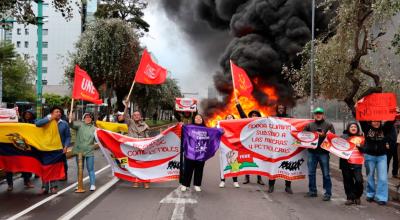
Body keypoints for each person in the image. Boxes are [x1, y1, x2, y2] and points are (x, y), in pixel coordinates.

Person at [35, 106, 71, 194]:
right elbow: (38, 124)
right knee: (45, 168)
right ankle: (44, 187)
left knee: (55, 168)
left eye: (60, 112)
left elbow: (68, 136)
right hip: (46, 148)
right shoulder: (46, 120)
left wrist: (66, 146)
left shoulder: (64, 124)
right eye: (56, 112)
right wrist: (50, 118)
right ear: (52, 113)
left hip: (58, 150)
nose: (59, 113)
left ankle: (54, 187)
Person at [304, 107, 335, 201]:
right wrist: (311, 135)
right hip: (311, 152)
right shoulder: (309, 125)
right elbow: (303, 135)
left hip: (323, 153)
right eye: (316, 113)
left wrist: (324, 135)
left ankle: (328, 193)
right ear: (314, 115)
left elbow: (333, 137)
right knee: (311, 173)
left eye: (320, 113)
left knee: (326, 174)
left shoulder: (329, 125)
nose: (318, 115)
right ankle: (312, 191)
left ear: (323, 115)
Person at [360, 120, 394, 205]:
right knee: (370, 176)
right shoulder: (367, 128)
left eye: (378, 121)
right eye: (374, 121)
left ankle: (381, 197)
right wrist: (355, 108)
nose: (376, 123)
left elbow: (390, 121)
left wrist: (394, 112)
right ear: (371, 122)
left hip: (382, 157)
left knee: (383, 177)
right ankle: (370, 194)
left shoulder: (384, 129)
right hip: (369, 156)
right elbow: (361, 118)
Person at [5, 110, 36, 191]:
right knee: (9, 167)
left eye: (29, 114)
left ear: (32, 115)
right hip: (11, 147)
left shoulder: (33, 123)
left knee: (24, 164)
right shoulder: (16, 122)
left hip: (23, 148)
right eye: (26, 114)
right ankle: (10, 185)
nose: (27, 115)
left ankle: (27, 182)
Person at [236, 102, 265, 185]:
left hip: (259, 146)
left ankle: (259, 178)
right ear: (250, 116)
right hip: (248, 145)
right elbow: (242, 115)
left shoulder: (262, 124)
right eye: (253, 115)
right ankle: (247, 177)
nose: (254, 116)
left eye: (256, 115)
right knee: (247, 160)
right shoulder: (247, 122)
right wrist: (238, 105)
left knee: (259, 162)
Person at [123, 102, 150, 188]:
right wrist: (126, 106)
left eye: (138, 115)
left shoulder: (145, 126)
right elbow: (125, 116)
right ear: (132, 117)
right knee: (134, 165)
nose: (137, 116)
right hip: (132, 148)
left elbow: (148, 137)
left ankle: (146, 182)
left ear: (140, 116)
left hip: (142, 148)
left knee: (144, 165)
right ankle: (136, 181)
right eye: (135, 115)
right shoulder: (130, 123)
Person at [69, 112, 97, 191]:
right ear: (84, 118)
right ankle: (79, 184)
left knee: (90, 168)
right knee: (80, 169)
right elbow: (71, 125)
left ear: (91, 119)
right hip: (79, 151)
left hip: (89, 151)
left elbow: (98, 138)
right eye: (86, 117)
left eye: (89, 117)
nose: (87, 118)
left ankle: (92, 184)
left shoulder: (94, 128)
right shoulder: (79, 125)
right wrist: (71, 118)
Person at [181, 114, 209, 192]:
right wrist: (181, 126)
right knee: (188, 169)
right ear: (194, 119)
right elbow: (183, 134)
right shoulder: (189, 127)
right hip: (190, 152)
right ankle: (185, 184)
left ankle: (197, 185)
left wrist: (219, 130)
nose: (198, 119)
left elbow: (211, 137)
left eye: (200, 118)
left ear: (202, 119)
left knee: (199, 169)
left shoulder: (206, 129)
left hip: (201, 152)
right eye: (196, 118)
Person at [268, 104, 292, 194]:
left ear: (285, 109)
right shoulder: (272, 118)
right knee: (273, 167)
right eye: (279, 108)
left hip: (286, 146)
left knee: (288, 167)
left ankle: (288, 186)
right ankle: (271, 186)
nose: (281, 109)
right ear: (277, 109)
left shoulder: (290, 118)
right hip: (275, 147)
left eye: (282, 108)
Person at [340, 122, 364, 205]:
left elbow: (365, 149)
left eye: (355, 127)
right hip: (345, 163)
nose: (353, 128)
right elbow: (337, 148)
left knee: (359, 180)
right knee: (348, 180)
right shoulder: (343, 137)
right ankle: (350, 198)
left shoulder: (361, 138)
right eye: (351, 127)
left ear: (357, 128)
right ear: (348, 128)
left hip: (357, 162)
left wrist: (359, 146)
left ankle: (357, 196)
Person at [219, 114, 240, 188]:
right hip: (224, 149)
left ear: (233, 118)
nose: (229, 118)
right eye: (227, 117)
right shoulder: (222, 126)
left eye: (231, 117)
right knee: (223, 165)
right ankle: (222, 181)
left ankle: (235, 181)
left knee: (234, 166)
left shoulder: (237, 126)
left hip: (233, 148)